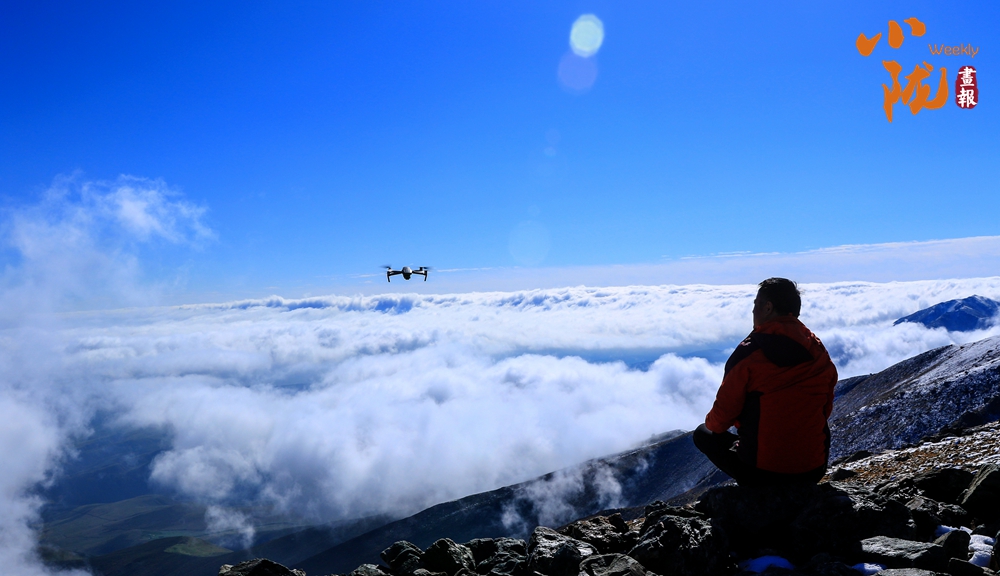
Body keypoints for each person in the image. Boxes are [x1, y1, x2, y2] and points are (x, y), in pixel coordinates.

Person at [693, 277, 838, 487]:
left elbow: (720, 420)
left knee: (703, 434)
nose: (753, 311)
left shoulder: (749, 353)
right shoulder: (817, 351)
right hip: (813, 471)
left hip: (763, 474)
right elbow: (825, 409)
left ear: (768, 308)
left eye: (756, 305)